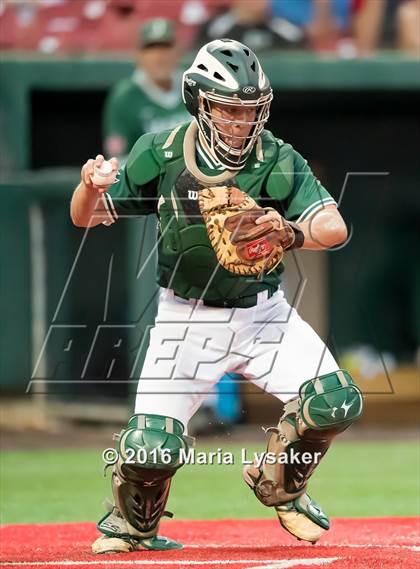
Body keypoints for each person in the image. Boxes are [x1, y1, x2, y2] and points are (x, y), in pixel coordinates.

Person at [70, 39, 363, 554]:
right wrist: (90, 187)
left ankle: (284, 482)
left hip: (264, 313)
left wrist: (291, 232)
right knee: (151, 448)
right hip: (186, 317)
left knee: (336, 401)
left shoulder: (276, 155)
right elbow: (85, 217)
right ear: (199, 102)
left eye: (250, 111)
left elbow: (333, 227)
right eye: (228, 108)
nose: (240, 121)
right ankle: (135, 522)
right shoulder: (159, 151)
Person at [103, 18, 190, 161]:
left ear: (178, 51)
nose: (159, 56)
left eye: (166, 47)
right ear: (139, 55)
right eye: (151, 48)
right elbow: (117, 161)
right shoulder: (126, 97)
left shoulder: (193, 86)